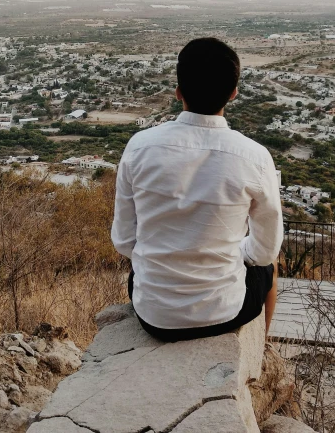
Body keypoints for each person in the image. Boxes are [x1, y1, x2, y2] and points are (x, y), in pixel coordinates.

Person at [111, 37, 284, 342]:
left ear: (178, 92)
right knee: (271, 270)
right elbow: (265, 251)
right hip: (223, 312)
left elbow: (125, 242)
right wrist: (234, 250)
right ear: (233, 93)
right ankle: (263, 345)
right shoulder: (254, 157)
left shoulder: (139, 147)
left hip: (153, 315)